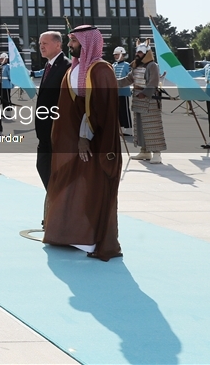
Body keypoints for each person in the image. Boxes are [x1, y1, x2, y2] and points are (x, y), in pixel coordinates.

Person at [44, 25, 123, 261]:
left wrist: (83, 137)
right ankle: (69, 234)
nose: (70, 46)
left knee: (92, 189)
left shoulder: (101, 70)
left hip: (94, 144)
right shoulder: (76, 69)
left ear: (87, 43)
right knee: (72, 187)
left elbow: (100, 109)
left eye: (74, 42)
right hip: (75, 143)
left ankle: (90, 241)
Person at [32, 31, 70, 191]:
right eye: (40, 43)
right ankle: (55, 208)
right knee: (43, 168)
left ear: (58, 44)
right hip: (45, 132)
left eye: (45, 43)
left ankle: (58, 210)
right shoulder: (49, 66)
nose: (41, 46)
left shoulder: (66, 67)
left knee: (54, 174)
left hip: (57, 131)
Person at [119, 43, 166, 164]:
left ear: (146, 54)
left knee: (152, 126)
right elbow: (128, 80)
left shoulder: (152, 66)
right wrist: (112, 82)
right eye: (137, 52)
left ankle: (157, 153)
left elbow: (153, 82)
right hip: (137, 99)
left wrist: (145, 93)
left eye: (140, 53)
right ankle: (145, 151)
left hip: (149, 100)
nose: (137, 54)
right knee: (140, 127)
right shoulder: (136, 66)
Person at [111, 46, 132, 137]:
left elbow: (131, 77)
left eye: (117, 54)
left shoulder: (127, 65)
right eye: (115, 55)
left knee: (125, 111)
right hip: (115, 92)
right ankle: (121, 128)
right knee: (118, 111)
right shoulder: (113, 65)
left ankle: (129, 128)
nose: (115, 56)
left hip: (124, 92)